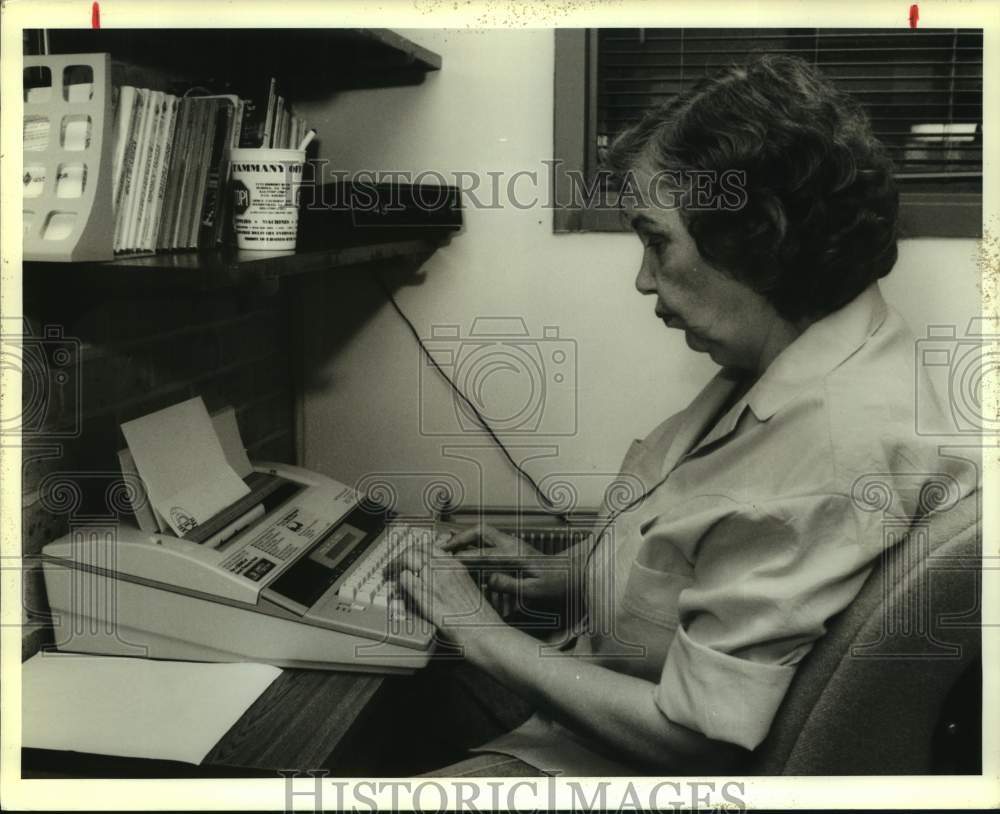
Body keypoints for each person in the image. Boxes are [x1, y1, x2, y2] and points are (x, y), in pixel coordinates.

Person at [386, 55, 977, 776]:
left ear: (758, 232)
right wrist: (573, 574)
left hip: (616, 765)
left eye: (656, 240)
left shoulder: (832, 445)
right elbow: (714, 559)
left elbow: (697, 737)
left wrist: (480, 632)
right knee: (396, 690)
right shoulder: (807, 360)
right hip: (588, 692)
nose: (642, 279)